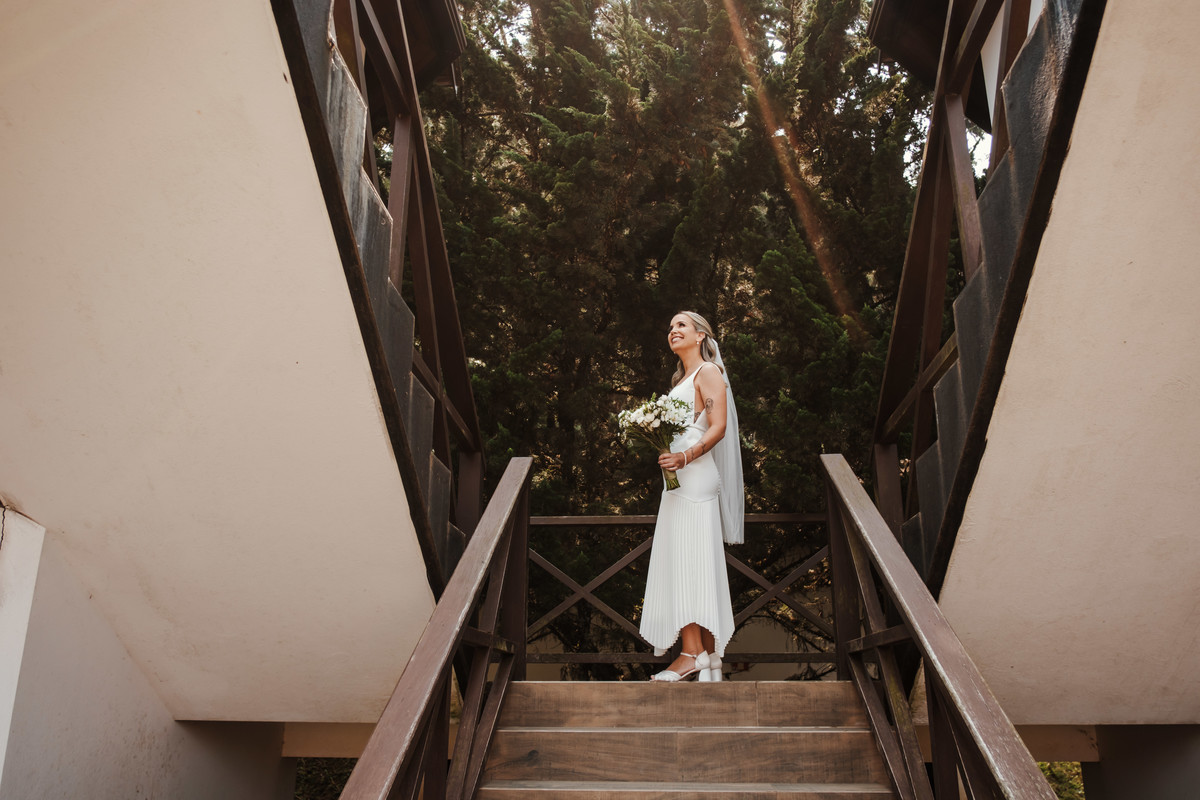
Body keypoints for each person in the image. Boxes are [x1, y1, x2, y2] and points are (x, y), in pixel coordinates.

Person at [639, 311, 744, 682]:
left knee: (688, 563)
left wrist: (685, 456)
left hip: (695, 478)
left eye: (681, 325)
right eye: (669, 327)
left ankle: (691, 655)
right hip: (677, 482)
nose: (673, 331)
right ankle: (708, 655)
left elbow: (718, 428)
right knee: (684, 562)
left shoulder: (708, 373)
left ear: (701, 335)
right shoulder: (679, 381)